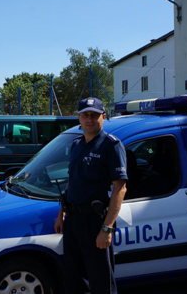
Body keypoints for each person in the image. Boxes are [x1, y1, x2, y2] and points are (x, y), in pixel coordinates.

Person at [54, 97, 127, 294]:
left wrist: (107, 228)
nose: (89, 119)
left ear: (103, 117)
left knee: (101, 280)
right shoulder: (77, 144)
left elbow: (120, 189)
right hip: (73, 220)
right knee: (75, 279)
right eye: (85, 115)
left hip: (95, 222)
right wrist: (61, 213)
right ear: (78, 117)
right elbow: (73, 180)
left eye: (94, 115)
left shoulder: (111, 146)